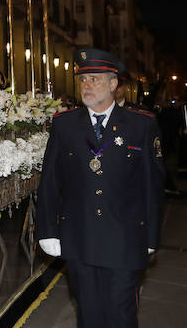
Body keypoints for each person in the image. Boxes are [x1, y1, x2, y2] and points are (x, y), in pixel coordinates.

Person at [36, 49, 166, 328]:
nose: (87, 86)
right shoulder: (65, 125)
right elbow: (50, 182)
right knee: (89, 315)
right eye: (83, 80)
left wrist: (152, 236)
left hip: (125, 241)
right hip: (80, 239)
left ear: (113, 84)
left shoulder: (140, 125)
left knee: (121, 316)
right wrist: (47, 230)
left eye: (94, 79)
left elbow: (152, 185)